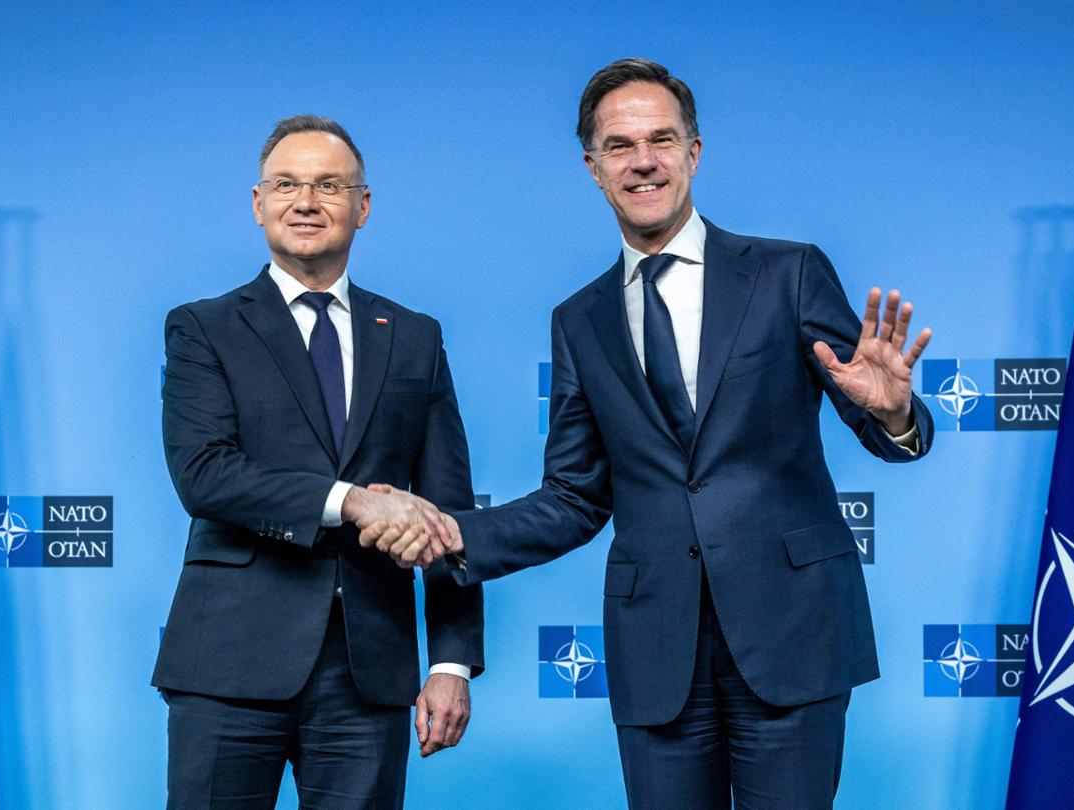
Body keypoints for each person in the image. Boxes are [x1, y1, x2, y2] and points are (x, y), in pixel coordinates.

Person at [358, 58, 935, 808]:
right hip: (656, 649)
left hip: (794, 632)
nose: (644, 161)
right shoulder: (580, 319)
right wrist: (451, 533)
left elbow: (881, 420)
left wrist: (892, 411)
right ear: (594, 167)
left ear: (694, 152)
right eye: (621, 145)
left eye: (662, 139)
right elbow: (574, 495)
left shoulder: (787, 273)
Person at [154, 114, 482, 810]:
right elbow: (205, 474)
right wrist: (354, 500)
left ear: (362, 206)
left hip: (369, 670)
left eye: (329, 184)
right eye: (287, 184)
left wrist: (452, 660)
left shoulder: (415, 337)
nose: (306, 201)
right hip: (228, 664)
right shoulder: (203, 327)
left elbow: (447, 510)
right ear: (258, 203)